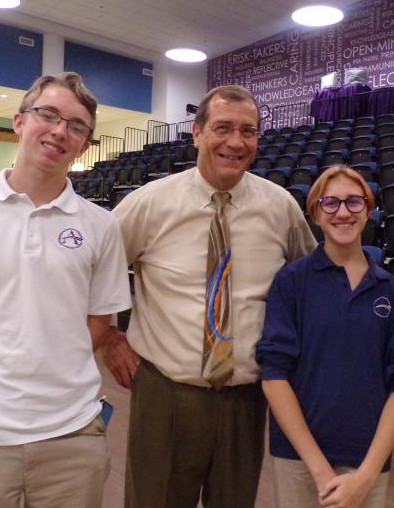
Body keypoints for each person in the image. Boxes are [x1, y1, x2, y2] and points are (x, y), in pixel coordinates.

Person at [0, 73, 131, 508]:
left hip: (72, 433)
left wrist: (54, 362)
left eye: (76, 126)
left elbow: (99, 320)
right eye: (47, 115)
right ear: (19, 122)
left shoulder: (101, 225)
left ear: (85, 145)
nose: (59, 131)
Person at [103, 84, 316, 508]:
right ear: (197, 133)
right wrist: (108, 337)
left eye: (248, 131)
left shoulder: (280, 207)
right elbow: (92, 274)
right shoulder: (148, 204)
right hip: (166, 394)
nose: (236, 142)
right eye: (222, 128)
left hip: (245, 398)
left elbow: (312, 280)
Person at [257, 166, 394, 508]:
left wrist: (367, 473)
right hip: (298, 459)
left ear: (370, 209)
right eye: (330, 203)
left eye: (353, 202)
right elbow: (274, 376)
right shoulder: (291, 282)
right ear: (315, 213)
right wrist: (319, 470)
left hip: (367, 459)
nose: (343, 212)